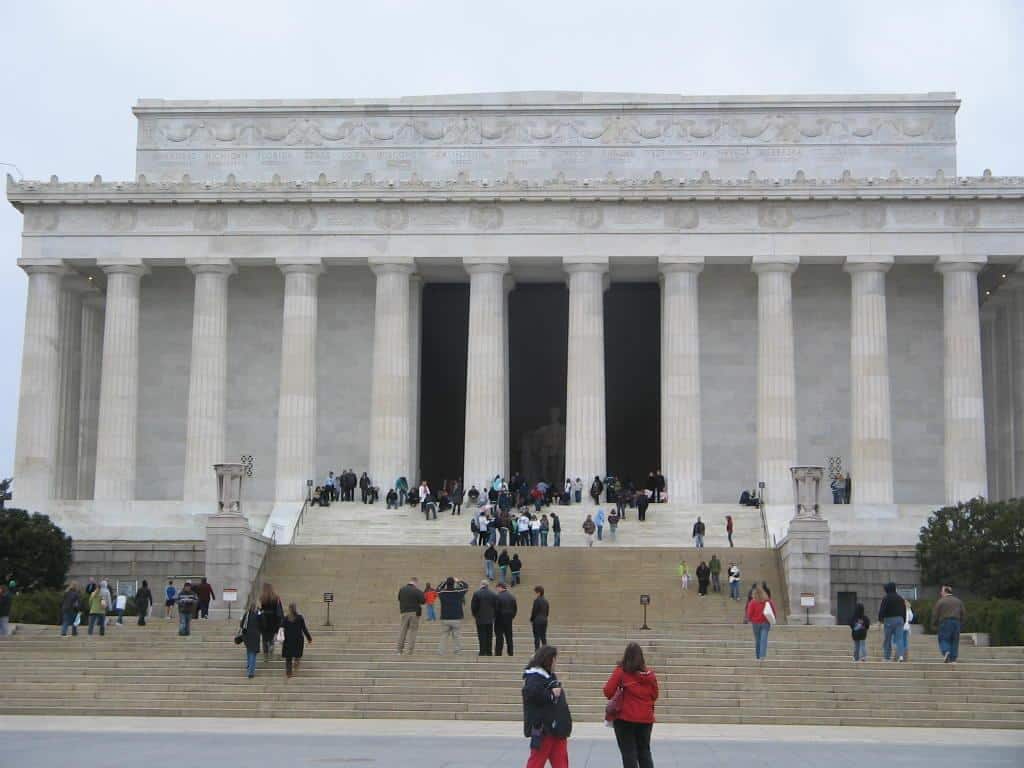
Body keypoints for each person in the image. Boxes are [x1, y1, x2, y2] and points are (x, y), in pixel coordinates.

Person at [604, 642, 659, 768]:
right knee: (644, 752)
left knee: (629, 754)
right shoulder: (650, 675)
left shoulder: (621, 672)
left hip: (625, 718)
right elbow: (655, 695)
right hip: (646, 719)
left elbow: (608, 691)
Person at [522, 645, 572, 768]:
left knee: (561, 762)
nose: (556, 662)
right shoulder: (534, 677)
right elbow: (531, 695)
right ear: (548, 660)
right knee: (537, 761)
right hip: (544, 728)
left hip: (557, 727)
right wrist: (551, 694)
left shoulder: (548, 676)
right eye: (554, 659)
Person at [932, 585, 967, 664]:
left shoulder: (941, 601)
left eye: (942, 591)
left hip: (945, 622)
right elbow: (963, 613)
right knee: (955, 640)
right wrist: (962, 623)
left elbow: (935, 613)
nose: (941, 593)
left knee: (943, 639)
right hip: (956, 622)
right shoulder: (958, 601)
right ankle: (953, 659)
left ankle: (946, 651)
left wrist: (934, 623)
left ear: (945, 592)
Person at [438, 577, 469, 655]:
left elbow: (437, 589)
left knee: (444, 636)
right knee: (457, 636)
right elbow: (465, 587)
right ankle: (457, 651)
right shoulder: (458, 592)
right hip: (456, 617)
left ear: (447, 584)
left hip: (445, 617)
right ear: (453, 583)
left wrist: (443, 582)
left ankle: (441, 652)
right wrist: (458, 581)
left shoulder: (442, 593)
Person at [745, 584, 777, 660]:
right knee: (764, 639)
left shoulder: (752, 602)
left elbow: (749, 613)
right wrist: (773, 618)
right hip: (766, 623)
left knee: (758, 640)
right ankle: (762, 655)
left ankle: (758, 656)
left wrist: (749, 619)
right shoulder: (768, 601)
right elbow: (773, 611)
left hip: (755, 624)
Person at [281, 602, 313, 678]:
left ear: (289, 609)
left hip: (288, 640)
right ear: (295, 609)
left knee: (288, 658)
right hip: (298, 640)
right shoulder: (300, 618)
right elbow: (304, 629)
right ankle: (296, 663)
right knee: (297, 654)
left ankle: (289, 673)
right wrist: (309, 638)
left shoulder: (285, 618)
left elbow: (281, 628)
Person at [878, 582, 907, 662]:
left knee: (888, 639)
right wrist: (903, 620)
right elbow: (904, 610)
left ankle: (887, 657)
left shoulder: (886, 598)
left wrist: (880, 619)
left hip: (889, 620)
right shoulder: (900, 598)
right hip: (900, 620)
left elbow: (882, 610)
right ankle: (901, 656)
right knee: (899, 639)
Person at [397, 577, 426, 655]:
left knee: (403, 631)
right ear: (416, 583)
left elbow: (399, 599)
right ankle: (410, 651)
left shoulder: (402, 589)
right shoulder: (417, 591)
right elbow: (423, 601)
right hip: (414, 613)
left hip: (404, 612)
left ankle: (399, 650)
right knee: (413, 632)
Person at [259, 583, 284, 660]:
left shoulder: (262, 597)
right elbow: (279, 609)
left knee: (264, 638)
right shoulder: (276, 597)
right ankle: (271, 647)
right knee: (272, 636)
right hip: (273, 619)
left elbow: (261, 609)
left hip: (264, 619)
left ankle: (266, 653)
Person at [471, 580, 497, 656]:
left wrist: (475, 615)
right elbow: (496, 606)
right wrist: (493, 615)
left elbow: (474, 607)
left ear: (481, 585)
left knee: (481, 635)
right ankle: (489, 652)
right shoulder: (493, 594)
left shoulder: (476, 593)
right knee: (489, 635)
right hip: (490, 618)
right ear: (487, 585)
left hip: (480, 618)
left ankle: (482, 651)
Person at [239, 598, 262, 678]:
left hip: (247, 636)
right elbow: (262, 624)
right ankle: (251, 672)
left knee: (249, 651)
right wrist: (260, 612)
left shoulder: (246, 614)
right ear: (255, 608)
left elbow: (241, 625)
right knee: (253, 653)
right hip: (255, 636)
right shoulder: (258, 615)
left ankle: (249, 666)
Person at [494, 582, 518, 656]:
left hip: (499, 620)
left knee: (499, 637)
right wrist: (511, 617)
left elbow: (496, 609)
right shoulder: (512, 596)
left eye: (497, 588)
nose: (497, 589)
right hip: (509, 619)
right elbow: (515, 609)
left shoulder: (498, 596)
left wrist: (495, 617)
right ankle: (510, 652)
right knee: (509, 637)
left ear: (500, 587)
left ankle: (498, 653)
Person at [530, 586, 550, 650]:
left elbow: (534, 611)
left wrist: (532, 619)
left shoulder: (536, 600)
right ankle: (546, 651)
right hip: (544, 620)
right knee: (543, 636)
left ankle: (537, 652)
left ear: (539, 592)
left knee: (537, 637)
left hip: (537, 620)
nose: (535, 594)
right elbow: (547, 612)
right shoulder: (546, 601)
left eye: (535, 592)